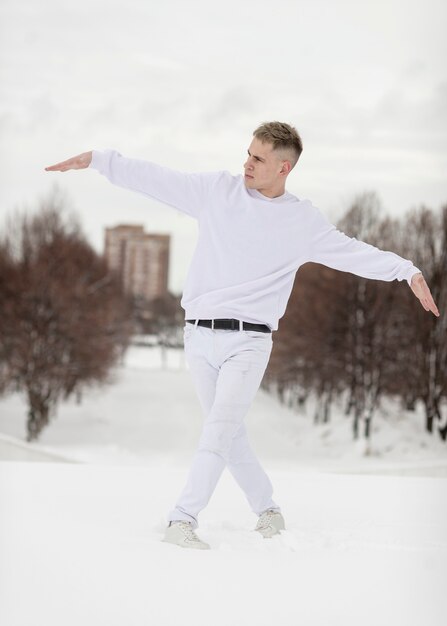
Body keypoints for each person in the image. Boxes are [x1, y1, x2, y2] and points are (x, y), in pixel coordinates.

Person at [45, 121, 440, 550]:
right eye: (248, 153)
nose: (246, 164)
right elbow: (157, 179)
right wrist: (101, 161)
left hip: (249, 343)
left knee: (217, 431)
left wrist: (406, 270)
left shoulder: (301, 221)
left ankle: (182, 518)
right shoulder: (218, 192)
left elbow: (353, 252)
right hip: (198, 337)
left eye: (258, 159)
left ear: (284, 168)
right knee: (229, 435)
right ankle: (268, 510)